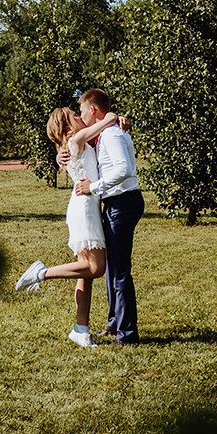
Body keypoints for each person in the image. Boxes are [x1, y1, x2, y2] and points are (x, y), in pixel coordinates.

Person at [13, 105, 124, 347]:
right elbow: (100, 125)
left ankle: (80, 330)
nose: (79, 116)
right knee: (96, 269)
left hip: (86, 205)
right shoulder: (76, 139)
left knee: (86, 273)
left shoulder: (75, 143)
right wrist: (111, 117)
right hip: (84, 208)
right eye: (75, 115)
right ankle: (41, 273)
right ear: (66, 127)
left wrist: (117, 121)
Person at [74, 87, 142, 345]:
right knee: (113, 267)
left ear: (93, 110)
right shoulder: (105, 132)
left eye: (82, 111)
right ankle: (115, 322)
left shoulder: (112, 134)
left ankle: (127, 334)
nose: (81, 117)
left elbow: (124, 169)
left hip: (122, 203)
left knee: (121, 270)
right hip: (118, 203)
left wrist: (94, 187)